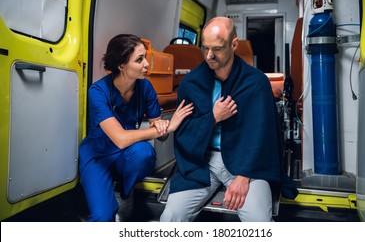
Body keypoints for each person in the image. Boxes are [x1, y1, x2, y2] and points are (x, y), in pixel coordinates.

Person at [160, 17, 297, 222]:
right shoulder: (191, 84)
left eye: (217, 48)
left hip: (246, 163)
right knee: (170, 217)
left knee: (259, 222)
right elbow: (185, 134)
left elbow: (263, 136)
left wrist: (244, 177)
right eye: (205, 48)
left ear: (234, 45)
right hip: (202, 163)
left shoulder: (256, 82)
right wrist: (213, 118)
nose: (209, 55)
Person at [79, 34, 193, 221]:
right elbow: (120, 138)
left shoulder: (145, 88)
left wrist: (163, 127)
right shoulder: (98, 91)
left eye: (145, 57)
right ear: (121, 66)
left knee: (145, 153)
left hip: (126, 154)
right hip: (98, 156)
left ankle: (125, 190)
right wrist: (166, 128)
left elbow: (161, 136)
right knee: (103, 216)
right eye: (139, 60)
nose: (147, 64)